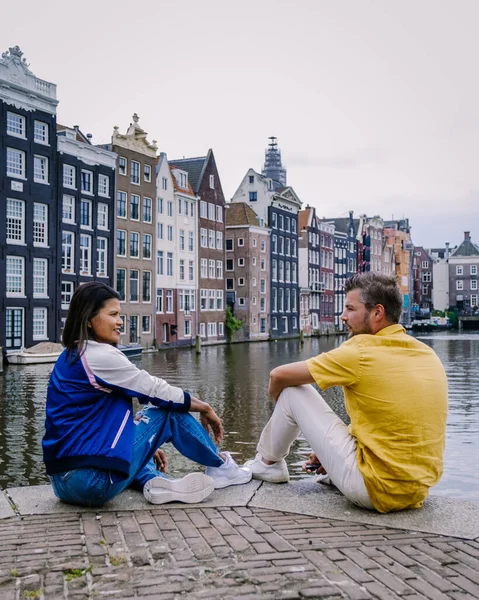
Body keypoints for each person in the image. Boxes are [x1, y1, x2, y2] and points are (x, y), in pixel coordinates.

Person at [245, 273, 448, 513]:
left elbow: (277, 376)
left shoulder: (359, 350)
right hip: (416, 490)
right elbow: (391, 422)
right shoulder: (426, 354)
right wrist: (329, 453)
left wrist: (284, 414)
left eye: (350, 309)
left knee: (292, 391)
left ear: (377, 313)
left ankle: (269, 463)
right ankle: (334, 470)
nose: (343, 316)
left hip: (373, 489)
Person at [42, 282, 251, 507]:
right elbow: (157, 391)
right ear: (89, 320)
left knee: (143, 423)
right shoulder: (99, 355)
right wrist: (205, 407)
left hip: (63, 484)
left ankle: (153, 481)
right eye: (113, 314)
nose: (120, 321)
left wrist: (146, 445)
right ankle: (221, 467)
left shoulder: (69, 356)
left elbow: (93, 424)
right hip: (93, 483)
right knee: (166, 412)